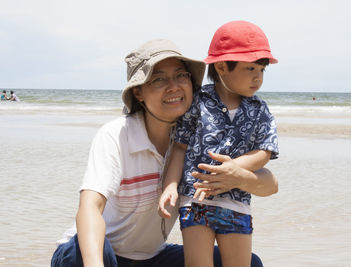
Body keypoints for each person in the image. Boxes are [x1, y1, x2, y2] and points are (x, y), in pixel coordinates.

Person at [51, 38, 278, 267]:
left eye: (181, 76)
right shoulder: (117, 135)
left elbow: (270, 184)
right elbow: (90, 207)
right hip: (94, 252)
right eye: (159, 79)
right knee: (88, 254)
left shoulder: (196, 137)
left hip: (151, 258)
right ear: (139, 92)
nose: (174, 86)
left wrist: (238, 176)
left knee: (251, 262)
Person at [159, 21, 279, 267]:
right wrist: (170, 185)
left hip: (236, 202)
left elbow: (265, 152)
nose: (258, 78)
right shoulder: (197, 101)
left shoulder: (259, 110)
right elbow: (180, 147)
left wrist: (234, 169)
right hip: (196, 200)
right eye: (251, 69)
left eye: (262, 70)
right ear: (222, 66)